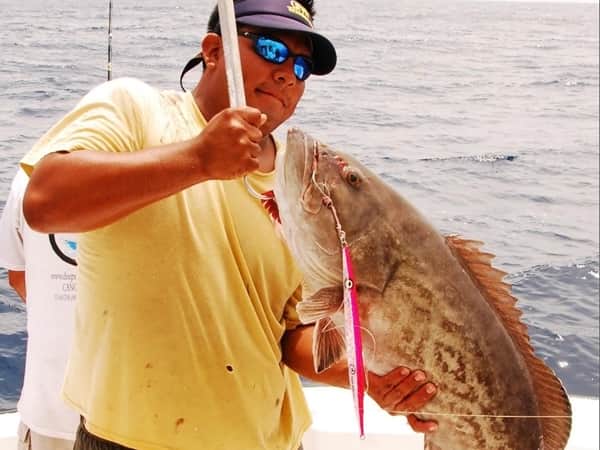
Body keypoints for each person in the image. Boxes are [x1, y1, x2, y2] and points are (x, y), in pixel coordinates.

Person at [20, 0, 437, 448]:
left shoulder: (300, 191)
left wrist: (370, 380)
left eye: (302, 66)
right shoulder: (134, 108)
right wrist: (197, 159)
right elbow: (45, 203)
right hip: (128, 439)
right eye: (272, 50)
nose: (288, 75)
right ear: (214, 50)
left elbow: (289, 334)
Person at [0, 168, 79, 450]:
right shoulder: (158, 174)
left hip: (48, 409)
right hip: (137, 415)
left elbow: (18, 277)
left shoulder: (28, 176)